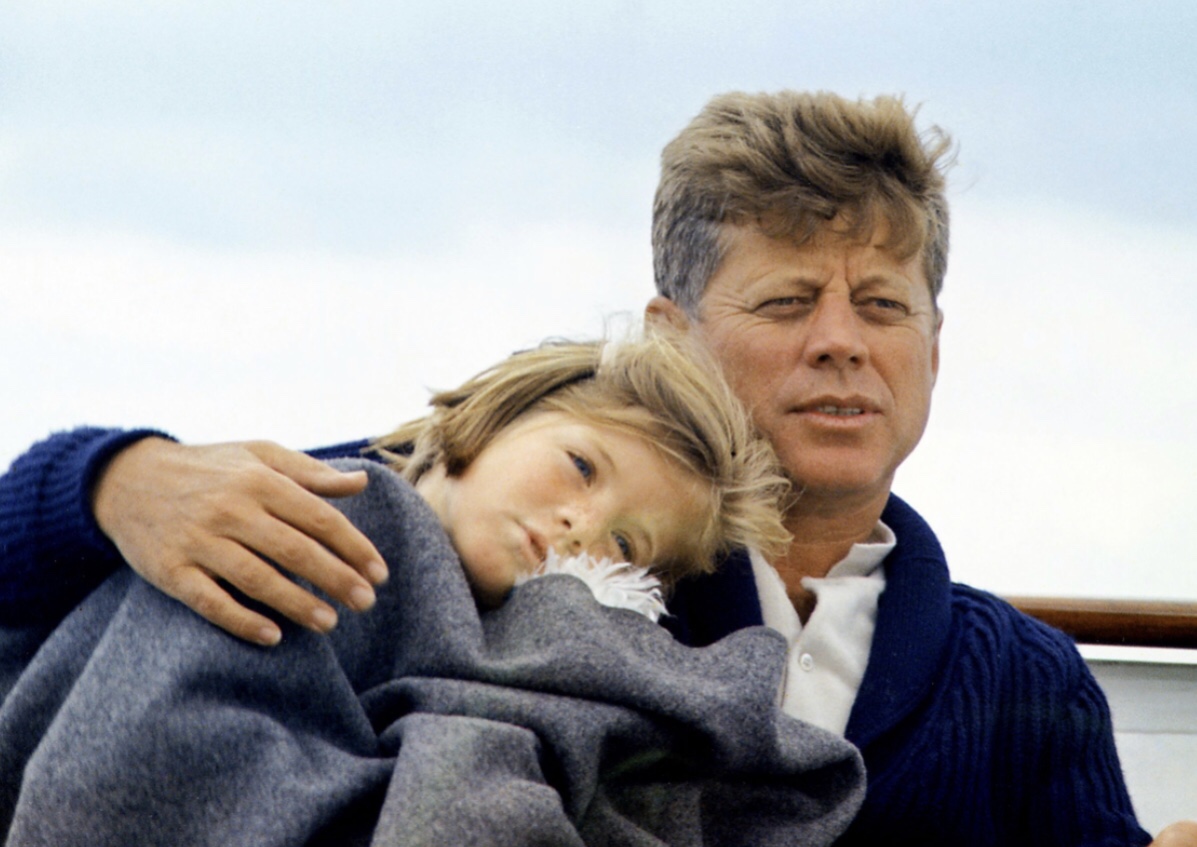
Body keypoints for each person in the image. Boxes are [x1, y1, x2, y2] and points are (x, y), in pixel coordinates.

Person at [1, 90, 1195, 847]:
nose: (842, 341)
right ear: (672, 336)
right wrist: (117, 480)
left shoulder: (1027, 682)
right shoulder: (499, 520)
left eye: (884, 305)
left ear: (934, 347)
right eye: (787, 299)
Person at [1, 332, 867, 846]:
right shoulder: (322, 513)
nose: (581, 524)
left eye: (623, 544)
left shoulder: (558, 652)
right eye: (580, 465)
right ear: (487, 422)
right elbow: (134, 761)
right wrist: (109, 477)